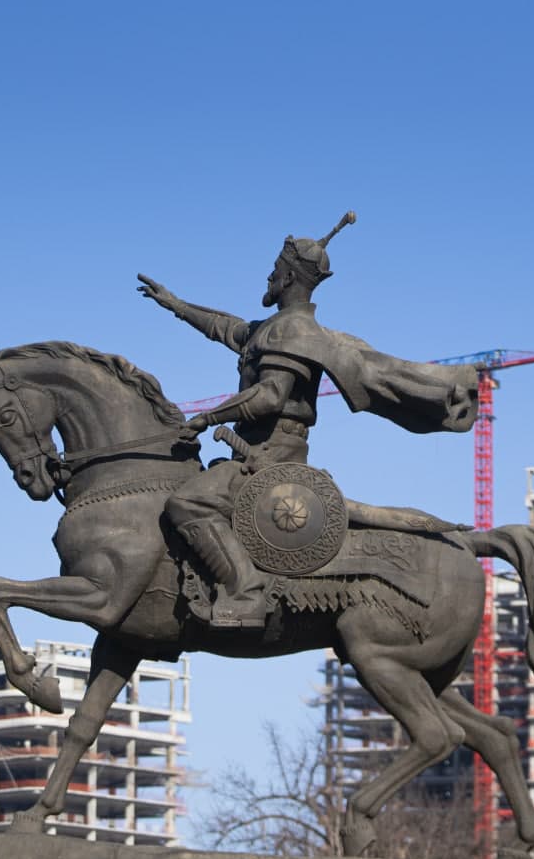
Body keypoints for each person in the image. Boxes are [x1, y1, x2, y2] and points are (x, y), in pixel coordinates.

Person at [138, 212, 478, 629]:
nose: (268, 277)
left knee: (187, 502)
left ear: (288, 278)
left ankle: (245, 591)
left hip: (274, 454)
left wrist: (210, 416)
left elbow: (271, 396)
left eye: (274, 270)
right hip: (253, 448)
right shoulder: (275, 328)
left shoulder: (295, 333)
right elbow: (227, 328)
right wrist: (176, 305)